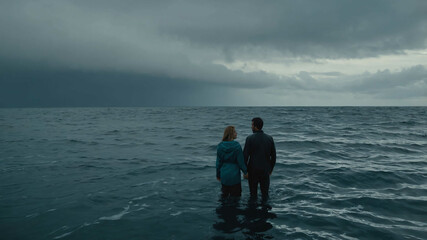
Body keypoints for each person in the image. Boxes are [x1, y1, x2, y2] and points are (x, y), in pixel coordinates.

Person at [243, 117, 276, 199]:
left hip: (252, 170)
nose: (251, 127)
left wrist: (245, 171)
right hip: (265, 170)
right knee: (265, 194)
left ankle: (253, 211)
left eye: (252, 125)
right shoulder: (269, 138)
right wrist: (270, 169)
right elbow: (274, 156)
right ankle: (265, 211)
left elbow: (245, 156)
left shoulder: (249, 138)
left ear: (255, 126)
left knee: (253, 195)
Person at [216, 126, 248, 197]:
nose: (236, 133)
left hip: (224, 175)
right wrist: (245, 172)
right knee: (236, 198)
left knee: (224, 197)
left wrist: (218, 175)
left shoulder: (220, 146)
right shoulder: (237, 146)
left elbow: (218, 163)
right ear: (231, 134)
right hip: (235, 176)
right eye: (235, 132)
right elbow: (241, 162)